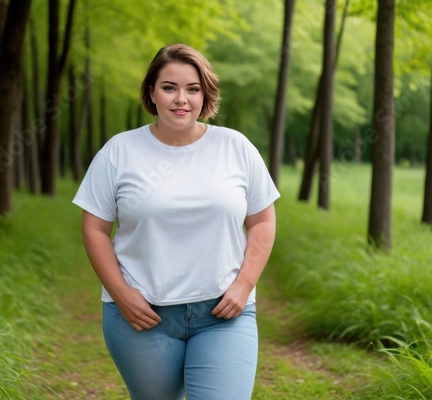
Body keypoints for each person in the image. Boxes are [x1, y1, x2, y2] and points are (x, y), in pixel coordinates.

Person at [72, 43, 280, 400]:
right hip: (142, 317)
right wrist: (121, 294)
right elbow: (95, 229)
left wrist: (244, 285)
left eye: (192, 89)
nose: (181, 99)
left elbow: (262, 221)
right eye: (169, 87)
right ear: (152, 92)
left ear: (205, 94)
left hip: (223, 313)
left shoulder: (236, 147)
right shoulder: (119, 151)